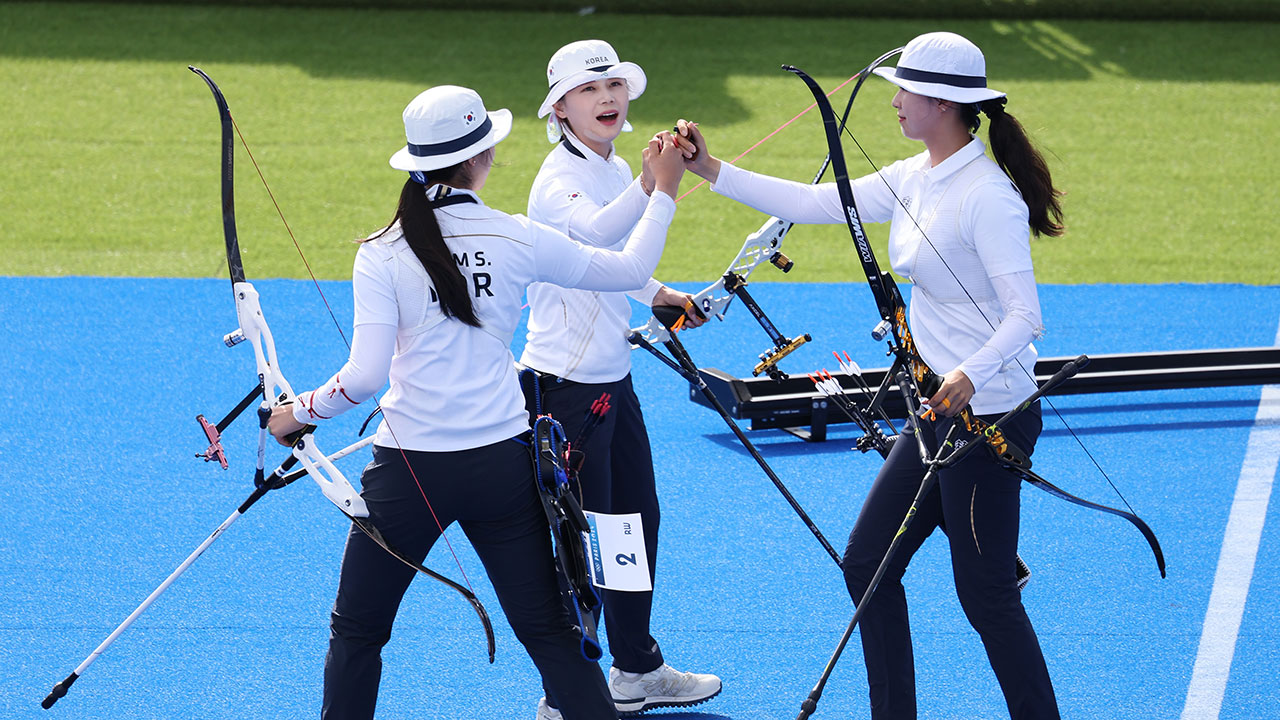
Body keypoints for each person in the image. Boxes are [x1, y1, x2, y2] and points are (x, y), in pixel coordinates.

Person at [675, 31, 1063, 720]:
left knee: (987, 596)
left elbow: (1025, 317)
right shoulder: (916, 176)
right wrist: (712, 170)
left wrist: (969, 375)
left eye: (906, 89)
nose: (893, 101)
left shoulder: (988, 197)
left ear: (944, 104)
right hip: (936, 414)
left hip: (988, 418)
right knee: (868, 564)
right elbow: (812, 202)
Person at [267, 84, 686, 720]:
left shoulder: (380, 252)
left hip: (408, 474)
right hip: (502, 470)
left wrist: (296, 414)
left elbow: (363, 378)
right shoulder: (515, 236)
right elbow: (629, 272)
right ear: (481, 157)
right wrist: (664, 190)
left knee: (357, 633)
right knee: (550, 636)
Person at [522, 39, 721, 720]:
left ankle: (634, 667)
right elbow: (607, 243)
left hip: (614, 382)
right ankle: (565, 697)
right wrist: (661, 187)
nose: (605, 98)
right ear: (560, 108)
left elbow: (617, 273)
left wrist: (661, 296)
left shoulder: (606, 165)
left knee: (631, 525)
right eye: (587, 90)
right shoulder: (557, 180)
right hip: (567, 392)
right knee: (579, 544)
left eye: (612, 85)